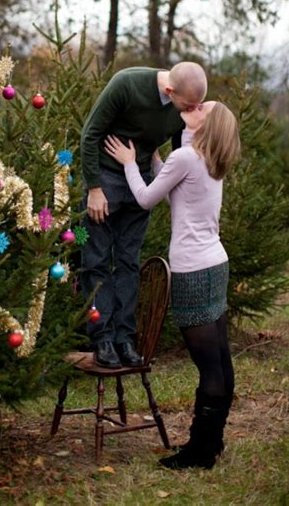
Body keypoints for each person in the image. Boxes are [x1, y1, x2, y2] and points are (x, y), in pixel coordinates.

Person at [104, 100, 240, 470]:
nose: (195, 105)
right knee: (220, 361)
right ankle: (212, 443)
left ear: (205, 124)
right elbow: (178, 188)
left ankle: (199, 452)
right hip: (215, 263)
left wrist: (131, 164)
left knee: (208, 366)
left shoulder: (187, 157)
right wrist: (154, 159)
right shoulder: (208, 158)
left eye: (202, 107)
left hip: (193, 271)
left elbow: (148, 198)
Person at [80, 62, 207, 369]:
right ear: (169, 91)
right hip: (106, 180)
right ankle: (102, 339)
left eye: (196, 106)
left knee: (128, 261)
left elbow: (181, 151)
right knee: (96, 261)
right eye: (187, 106)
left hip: (141, 182)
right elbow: (90, 134)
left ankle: (124, 337)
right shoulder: (126, 84)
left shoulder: (183, 107)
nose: (191, 113)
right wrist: (94, 189)